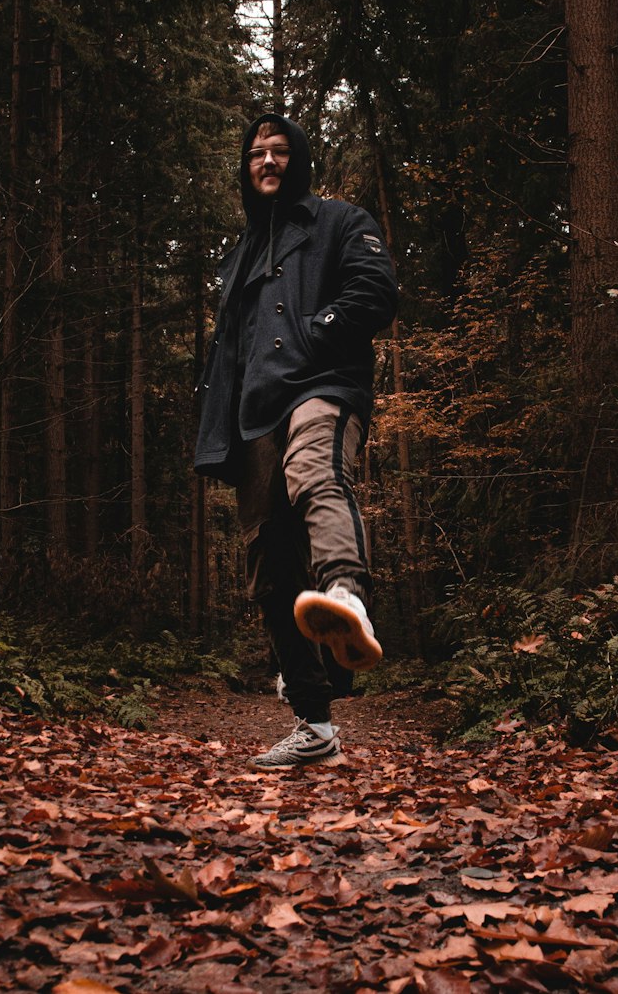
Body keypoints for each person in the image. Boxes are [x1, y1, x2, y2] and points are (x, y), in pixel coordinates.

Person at [194, 112, 398, 768]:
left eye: (280, 150)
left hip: (324, 383)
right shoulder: (240, 254)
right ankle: (314, 725)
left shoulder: (340, 221)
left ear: (299, 160)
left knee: (316, 471)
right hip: (255, 416)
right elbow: (229, 350)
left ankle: (344, 592)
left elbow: (376, 291)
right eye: (256, 153)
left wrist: (316, 331)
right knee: (269, 568)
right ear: (246, 167)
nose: (267, 161)